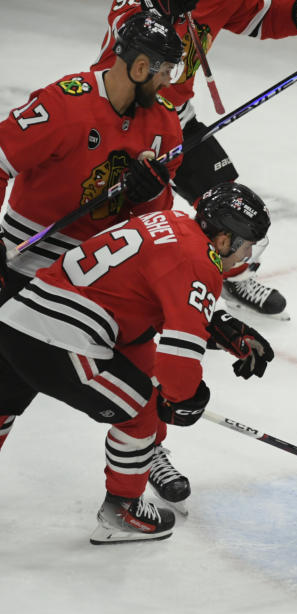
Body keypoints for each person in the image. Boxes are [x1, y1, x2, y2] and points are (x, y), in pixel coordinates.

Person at [0, 182, 274, 544]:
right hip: (63, 339)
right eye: (248, 244)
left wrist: (214, 326)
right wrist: (184, 397)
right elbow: (177, 359)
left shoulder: (170, 221)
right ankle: (123, 511)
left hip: (15, 319)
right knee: (143, 410)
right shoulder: (201, 262)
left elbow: (144, 293)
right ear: (224, 239)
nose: (248, 255)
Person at [0, 11, 188, 499]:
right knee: (7, 388)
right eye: (165, 71)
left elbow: (156, 221)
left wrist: (149, 194)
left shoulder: (165, 127)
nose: (170, 82)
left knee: (145, 369)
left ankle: (148, 449)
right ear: (141, 67)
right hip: (30, 260)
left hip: (100, 273)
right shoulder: (65, 104)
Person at [92, 0, 297, 319]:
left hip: (175, 119)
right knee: (110, 212)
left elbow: (254, 16)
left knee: (228, 206)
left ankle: (233, 277)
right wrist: (162, 7)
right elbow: (126, 24)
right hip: (119, 117)